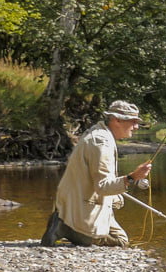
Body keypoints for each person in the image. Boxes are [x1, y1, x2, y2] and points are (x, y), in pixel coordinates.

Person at [40, 100, 153, 247]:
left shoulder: (99, 132)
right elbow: (103, 186)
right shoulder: (101, 143)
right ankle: (65, 227)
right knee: (120, 241)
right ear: (116, 120)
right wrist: (132, 178)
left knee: (118, 234)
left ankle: (65, 220)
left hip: (74, 200)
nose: (136, 127)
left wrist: (117, 195)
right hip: (80, 204)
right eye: (133, 122)